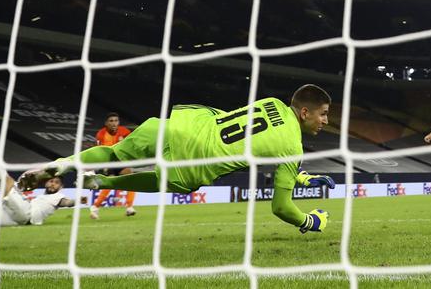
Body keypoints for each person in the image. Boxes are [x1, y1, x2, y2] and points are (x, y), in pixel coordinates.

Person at [17, 85, 336, 233]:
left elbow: (259, 141)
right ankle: (104, 181)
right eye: (322, 115)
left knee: (114, 152)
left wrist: (301, 176)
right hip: (196, 164)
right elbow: (281, 208)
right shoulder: (292, 145)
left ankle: (64, 164)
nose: (325, 121)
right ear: (305, 112)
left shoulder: (270, 102)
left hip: (178, 128)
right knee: (166, 182)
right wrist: (311, 221)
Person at [90, 112, 136, 219]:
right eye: (111, 121)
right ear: (106, 123)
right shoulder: (101, 134)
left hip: (120, 161)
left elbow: (131, 145)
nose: (114, 123)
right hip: (108, 162)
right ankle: (95, 207)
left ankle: (129, 207)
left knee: (130, 178)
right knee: (110, 184)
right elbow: (98, 151)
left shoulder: (124, 132)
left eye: (116, 121)